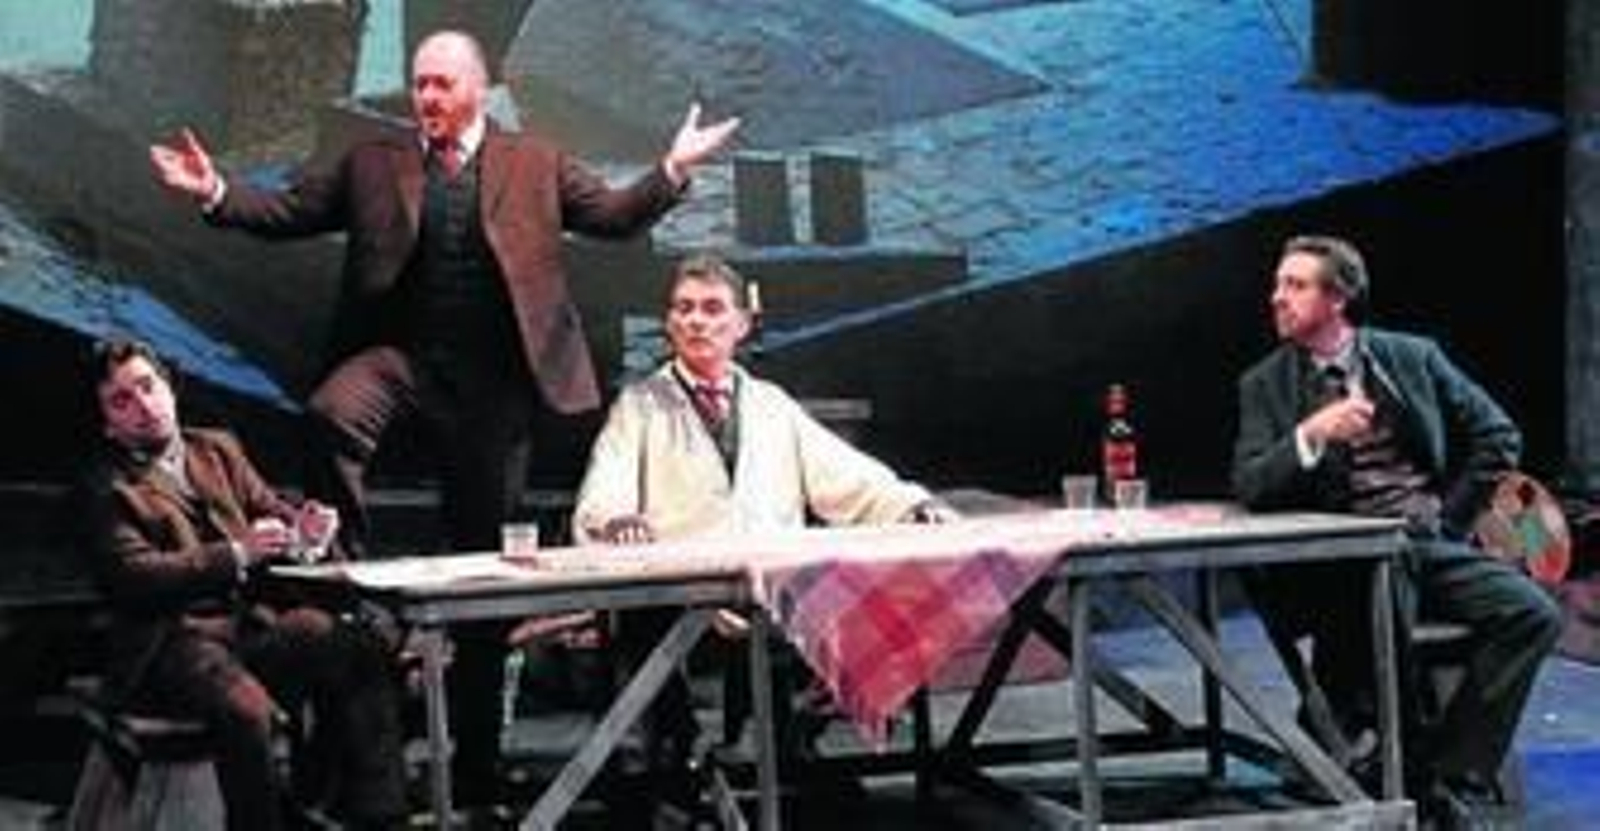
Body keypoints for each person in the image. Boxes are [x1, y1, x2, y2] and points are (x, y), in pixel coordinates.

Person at [147, 29, 740, 810]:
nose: (425, 97)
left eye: (441, 84)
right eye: (419, 83)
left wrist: (673, 168)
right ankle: (342, 561)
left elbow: (613, 215)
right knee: (331, 410)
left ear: (478, 87)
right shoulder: (374, 161)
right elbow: (292, 208)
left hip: (492, 384)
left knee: (482, 568)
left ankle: (479, 761)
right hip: (401, 359)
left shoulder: (535, 161)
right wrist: (217, 191)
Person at [571, 253, 955, 819]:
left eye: (711, 309)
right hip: (680, 596)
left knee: (851, 609)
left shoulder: (771, 405)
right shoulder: (641, 406)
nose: (695, 321)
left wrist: (910, 505)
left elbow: (847, 478)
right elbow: (605, 488)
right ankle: (683, 767)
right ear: (669, 322)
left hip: (774, 592)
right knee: (655, 642)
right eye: (683, 309)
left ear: (742, 324)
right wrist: (616, 521)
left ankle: (791, 755)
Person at [1231, 235, 1562, 828]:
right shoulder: (1265, 384)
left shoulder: (1411, 357)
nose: (1276, 297)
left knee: (1533, 614)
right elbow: (1251, 484)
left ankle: (1443, 771)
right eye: (1278, 284)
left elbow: (1498, 436)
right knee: (1387, 586)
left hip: (1425, 542)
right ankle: (1417, 781)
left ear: (1338, 299)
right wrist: (1313, 432)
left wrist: (1451, 520)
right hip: (1338, 561)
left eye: (1295, 285)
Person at [74, 338, 408, 831]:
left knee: (351, 645)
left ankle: (375, 813)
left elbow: (271, 511)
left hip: (247, 627)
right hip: (169, 645)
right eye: (122, 400)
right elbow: (136, 576)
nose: (143, 405)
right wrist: (236, 553)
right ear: (108, 423)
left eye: (148, 386)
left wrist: (306, 532)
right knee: (246, 709)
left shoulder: (216, 449)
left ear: (169, 388)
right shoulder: (105, 486)